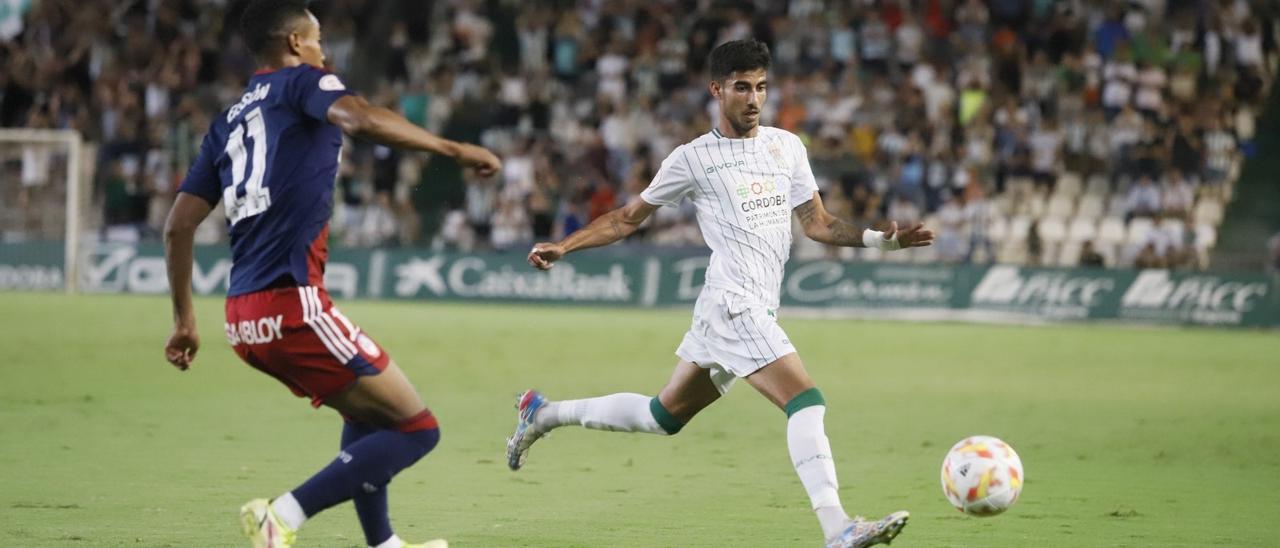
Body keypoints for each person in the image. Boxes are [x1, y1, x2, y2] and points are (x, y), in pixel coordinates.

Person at [507, 40, 933, 548]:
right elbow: (626, 219)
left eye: (761, 87)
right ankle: (837, 527)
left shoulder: (786, 146)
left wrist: (878, 241)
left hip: (735, 307)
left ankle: (543, 413)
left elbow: (817, 223)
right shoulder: (692, 159)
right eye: (741, 87)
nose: (754, 98)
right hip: (735, 304)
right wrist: (564, 245)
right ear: (717, 90)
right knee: (807, 402)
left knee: (662, 416)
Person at [161, 2, 501, 547]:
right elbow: (360, 119)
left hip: (241, 317)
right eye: (317, 40)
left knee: (368, 413)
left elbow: (178, 227)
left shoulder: (226, 122)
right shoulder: (303, 81)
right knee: (417, 428)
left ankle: (383, 545)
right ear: (295, 43)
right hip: (292, 307)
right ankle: (284, 516)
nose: (324, 52)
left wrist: (183, 320)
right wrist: (452, 149)